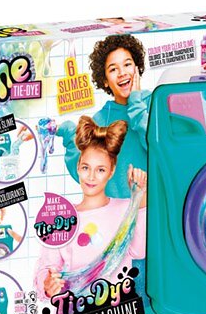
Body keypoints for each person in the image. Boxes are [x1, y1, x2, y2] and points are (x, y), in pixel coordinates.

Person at [35, 116, 147, 299]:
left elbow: (139, 250)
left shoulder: (124, 208)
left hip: (118, 309)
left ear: (111, 171)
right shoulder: (61, 217)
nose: (91, 177)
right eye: (86, 168)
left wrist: (139, 196)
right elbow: (46, 267)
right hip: (77, 310)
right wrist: (47, 284)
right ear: (78, 167)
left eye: (100, 170)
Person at [57, 34, 151, 198]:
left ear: (137, 68)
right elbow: (84, 173)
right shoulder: (100, 120)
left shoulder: (154, 102)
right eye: (113, 69)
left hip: (151, 206)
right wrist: (69, 133)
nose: (122, 73)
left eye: (127, 64)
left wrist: (136, 103)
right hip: (114, 210)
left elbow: (159, 148)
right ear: (105, 80)